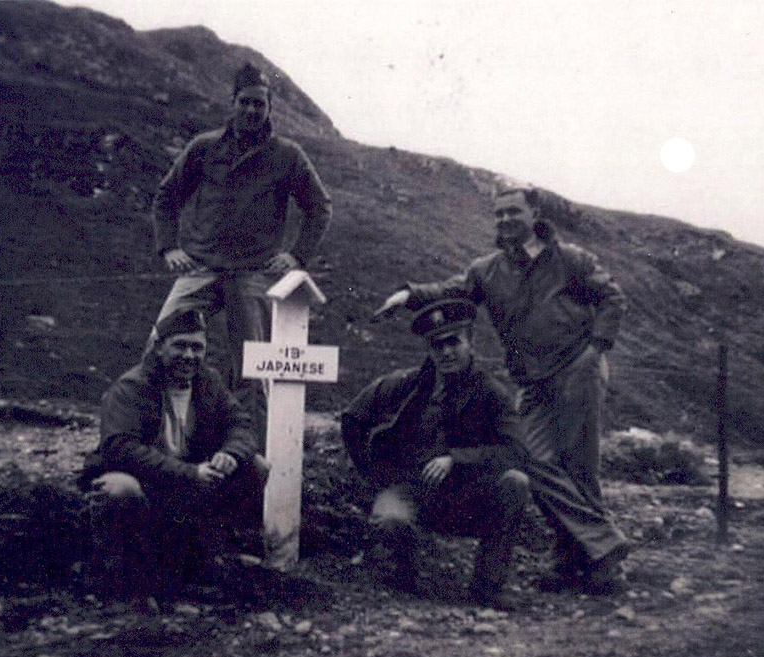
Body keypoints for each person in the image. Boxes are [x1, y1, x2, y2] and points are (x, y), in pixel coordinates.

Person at [374, 184, 631, 593]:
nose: (506, 220)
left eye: (514, 212)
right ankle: (604, 546)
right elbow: (452, 290)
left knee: (579, 468)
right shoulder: (487, 270)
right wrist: (409, 294)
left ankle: (585, 564)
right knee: (531, 459)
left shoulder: (570, 260)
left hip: (578, 371)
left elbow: (612, 297)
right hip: (532, 381)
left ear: (534, 214)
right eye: (499, 214)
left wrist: (596, 349)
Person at [148, 61, 332, 447]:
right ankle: (154, 439)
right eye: (245, 102)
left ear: (269, 109)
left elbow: (319, 207)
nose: (251, 111)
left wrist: (297, 256)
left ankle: (251, 456)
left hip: (252, 275)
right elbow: (167, 196)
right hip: (201, 266)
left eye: (259, 105)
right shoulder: (204, 148)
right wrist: (169, 247)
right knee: (159, 345)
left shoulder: (288, 155)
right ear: (232, 103)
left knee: (254, 367)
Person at [342, 298, 532, 608]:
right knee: (390, 521)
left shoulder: (491, 392)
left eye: (453, 342)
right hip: (410, 491)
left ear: (470, 341)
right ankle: (403, 577)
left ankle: (487, 586)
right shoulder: (408, 385)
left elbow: (516, 451)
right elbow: (353, 418)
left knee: (515, 483)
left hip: (465, 498)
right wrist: (374, 475)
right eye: (436, 345)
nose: (446, 352)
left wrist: (457, 459)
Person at [78, 307, 268, 601]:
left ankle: (213, 558)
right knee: (119, 490)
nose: (189, 356)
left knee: (255, 466)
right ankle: (122, 578)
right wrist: (190, 473)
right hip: (148, 483)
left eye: (197, 347)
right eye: (180, 345)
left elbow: (241, 423)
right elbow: (120, 448)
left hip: (187, 485)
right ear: (159, 347)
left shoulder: (209, 382)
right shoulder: (132, 387)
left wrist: (229, 453)